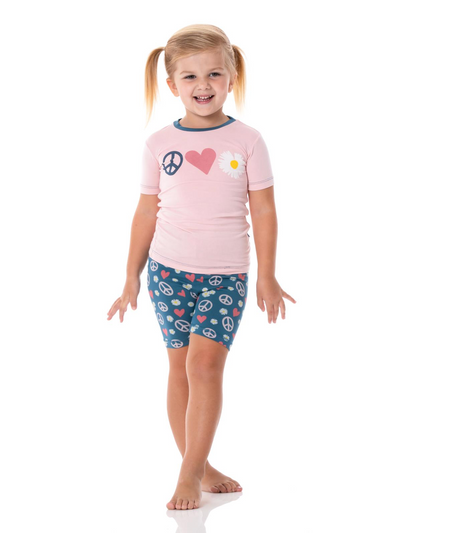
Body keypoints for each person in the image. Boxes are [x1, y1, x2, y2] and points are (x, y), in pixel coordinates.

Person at [107, 24, 296, 511]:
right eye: (190, 76)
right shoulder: (158, 144)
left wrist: (268, 274)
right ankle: (202, 465)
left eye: (214, 73)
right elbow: (146, 212)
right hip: (167, 272)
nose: (203, 85)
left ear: (232, 78)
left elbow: (264, 210)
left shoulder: (248, 140)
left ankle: (188, 475)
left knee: (205, 364)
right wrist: (130, 276)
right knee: (179, 368)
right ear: (173, 85)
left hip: (225, 275)